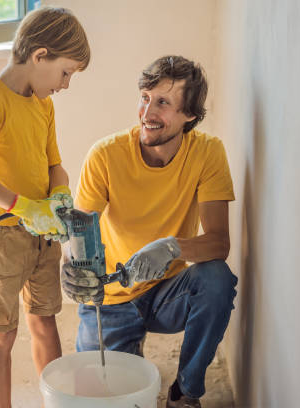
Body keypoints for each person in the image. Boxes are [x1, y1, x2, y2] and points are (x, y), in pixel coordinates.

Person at [61, 55, 237, 408]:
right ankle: (126, 347)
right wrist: (71, 267)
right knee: (103, 393)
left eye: (163, 103)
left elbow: (219, 243)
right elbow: (78, 232)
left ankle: (185, 393)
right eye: (145, 97)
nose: (147, 112)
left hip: (166, 293)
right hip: (110, 295)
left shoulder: (207, 153)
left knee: (216, 280)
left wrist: (173, 248)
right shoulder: (106, 155)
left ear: (190, 115)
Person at [0, 7, 90, 408]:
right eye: (66, 72)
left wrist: (59, 195)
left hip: (43, 235)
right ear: (40, 56)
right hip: (1, 237)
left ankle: (59, 401)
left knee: (46, 321)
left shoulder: (43, 105)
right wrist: (23, 207)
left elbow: (55, 165)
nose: (66, 84)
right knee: (3, 333)